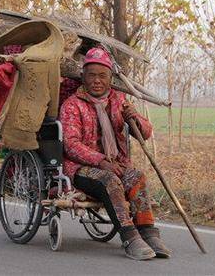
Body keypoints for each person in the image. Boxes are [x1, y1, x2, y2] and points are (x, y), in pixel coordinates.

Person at [59, 47, 171, 260]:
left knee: (136, 177)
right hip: (81, 169)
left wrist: (134, 117)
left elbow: (145, 133)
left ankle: (148, 232)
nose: (97, 80)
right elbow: (71, 145)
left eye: (102, 76)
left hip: (118, 164)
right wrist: (101, 161)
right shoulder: (72, 105)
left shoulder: (119, 100)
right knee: (110, 180)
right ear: (83, 77)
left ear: (110, 78)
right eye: (91, 75)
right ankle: (129, 237)